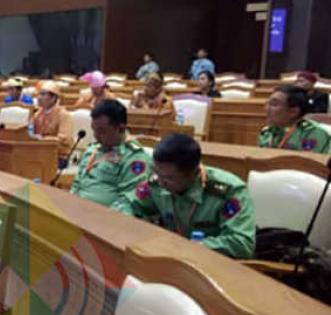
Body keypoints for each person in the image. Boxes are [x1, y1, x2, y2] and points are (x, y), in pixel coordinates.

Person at [113, 134, 255, 259]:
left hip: (210, 263)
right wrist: (130, 225)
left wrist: (189, 247)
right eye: (157, 173)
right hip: (167, 259)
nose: (161, 182)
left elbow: (242, 243)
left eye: (169, 178)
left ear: (193, 173)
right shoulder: (157, 182)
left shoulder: (229, 191)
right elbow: (126, 203)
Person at [71, 100, 152, 206]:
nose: (96, 136)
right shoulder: (93, 149)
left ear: (120, 129)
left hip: (103, 213)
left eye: (101, 131)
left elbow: (130, 202)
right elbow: (77, 184)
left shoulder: (135, 158)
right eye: (94, 130)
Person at [258, 85, 330, 153]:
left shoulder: (314, 133)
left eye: (274, 104)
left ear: (294, 112)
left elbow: (313, 161)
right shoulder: (267, 132)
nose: (266, 108)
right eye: (267, 103)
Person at [32, 81, 72, 151]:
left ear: (53, 98)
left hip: (58, 153)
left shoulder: (63, 114)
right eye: (38, 94)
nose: (39, 98)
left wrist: (43, 139)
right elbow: (31, 133)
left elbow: (64, 139)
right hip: (40, 151)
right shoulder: (37, 114)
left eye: (43, 94)